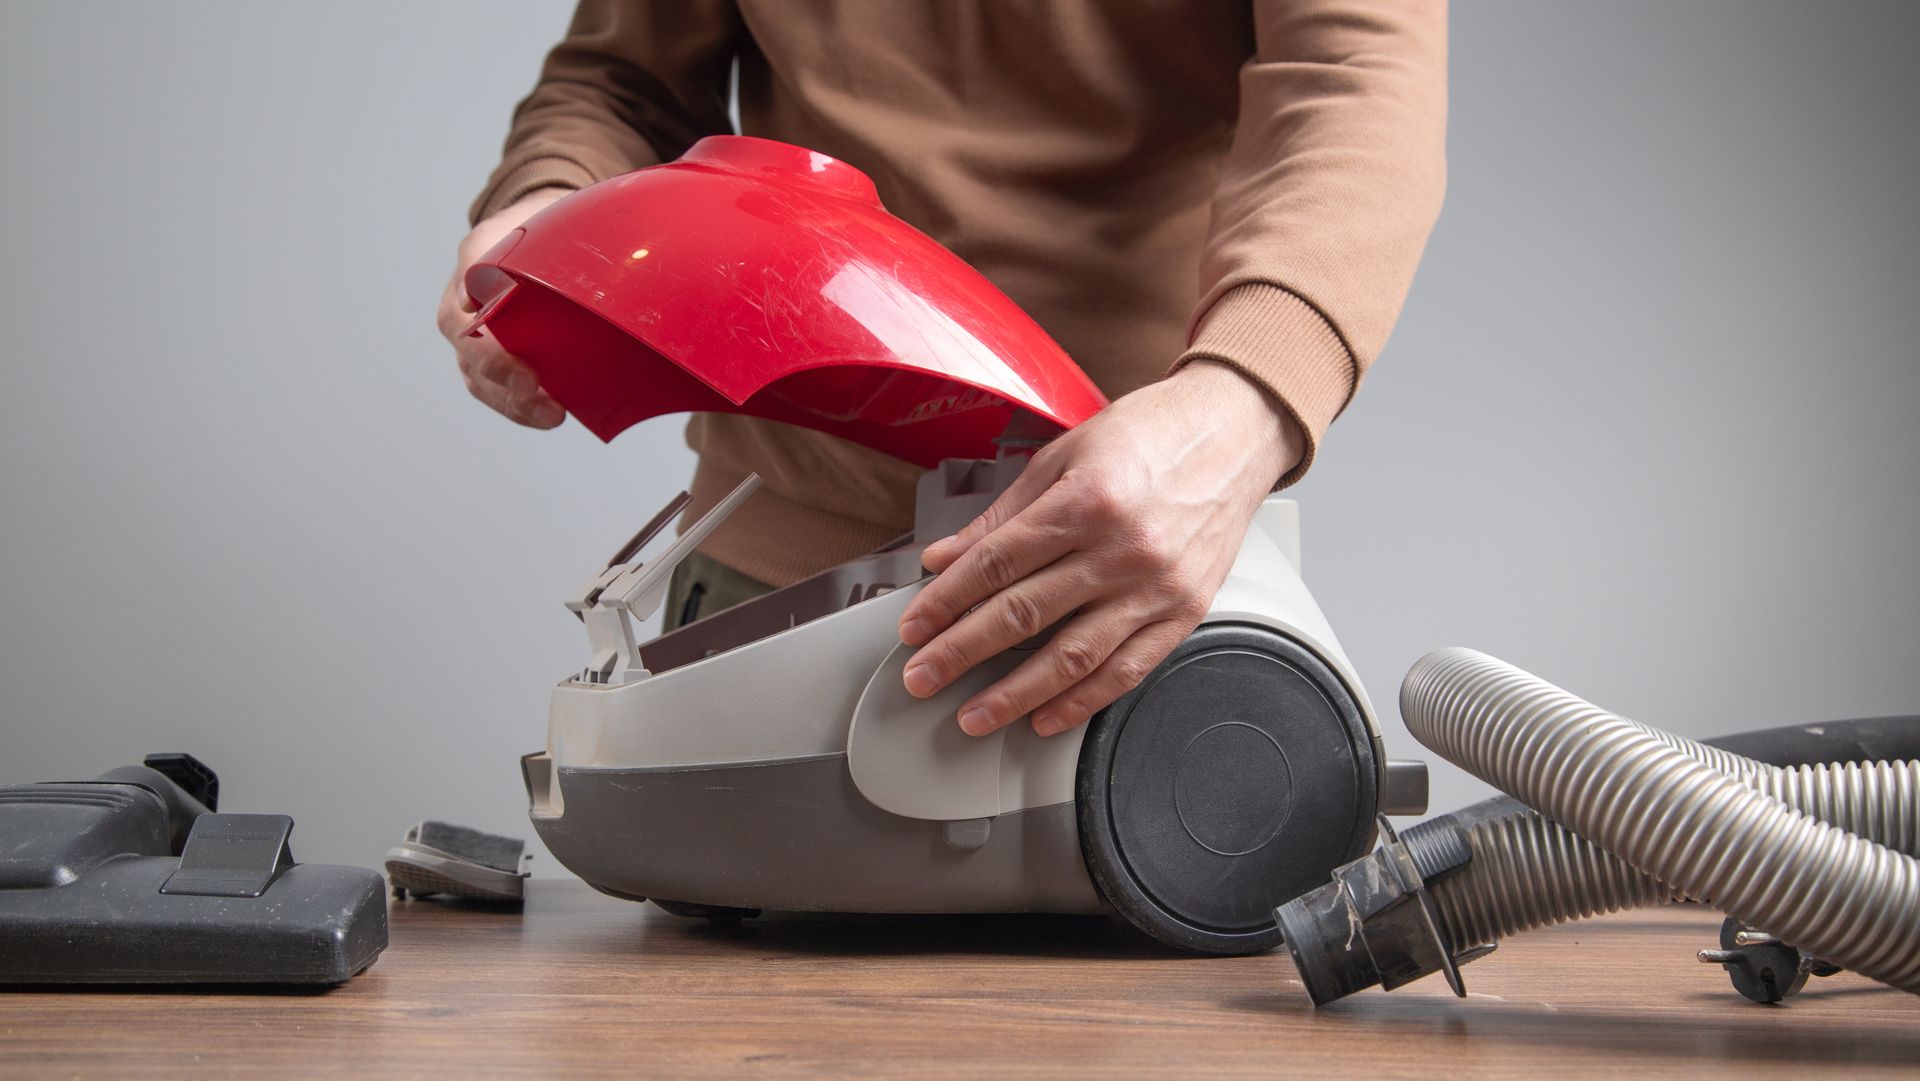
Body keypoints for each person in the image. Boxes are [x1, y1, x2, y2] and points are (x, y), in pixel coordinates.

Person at [439, 1, 1446, 740]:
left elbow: (1353, 81)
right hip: (769, 574)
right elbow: (621, 80)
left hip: (1136, 558)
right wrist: (549, 204)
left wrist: (1244, 400)